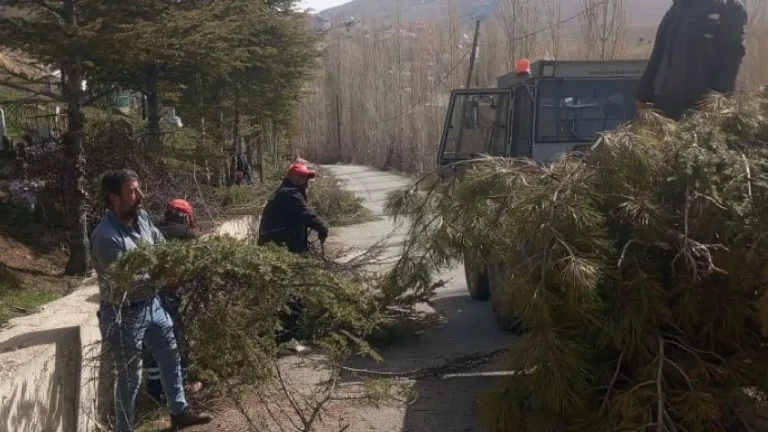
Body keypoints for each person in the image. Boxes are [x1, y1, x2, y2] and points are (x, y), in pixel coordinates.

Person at [90, 170, 212, 431]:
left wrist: (174, 266)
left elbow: (160, 249)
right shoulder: (106, 237)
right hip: (124, 314)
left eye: (139, 189)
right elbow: (128, 280)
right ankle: (125, 428)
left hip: (152, 305)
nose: (140, 196)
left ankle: (179, 412)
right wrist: (168, 276)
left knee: (170, 357)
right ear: (114, 199)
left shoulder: (142, 218)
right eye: (132, 191)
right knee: (130, 379)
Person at [257, 162, 329, 353]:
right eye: (304, 177)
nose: (307, 181)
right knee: (293, 296)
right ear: (294, 178)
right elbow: (307, 215)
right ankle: (287, 341)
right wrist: (322, 228)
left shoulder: (282, 192)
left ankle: (279, 339)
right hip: (285, 253)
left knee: (283, 296)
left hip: (275, 251)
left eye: (308, 178)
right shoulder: (290, 194)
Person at [636, 0, 748, 121]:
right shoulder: (678, 7)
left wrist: (719, 91)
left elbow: (733, 52)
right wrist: (644, 94)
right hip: (664, 101)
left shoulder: (729, 7)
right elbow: (659, 51)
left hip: (703, 103)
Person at [143, 199, 202, 404]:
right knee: (176, 339)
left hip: (145, 296)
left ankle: (155, 390)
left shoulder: (150, 230)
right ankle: (180, 387)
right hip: (169, 295)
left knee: (151, 343)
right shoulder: (186, 235)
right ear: (185, 217)